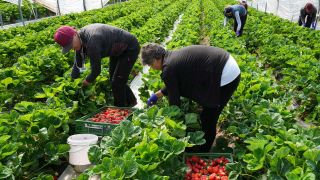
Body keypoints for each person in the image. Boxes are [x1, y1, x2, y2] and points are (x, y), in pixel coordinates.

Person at [141, 43, 241, 152]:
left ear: (157, 59)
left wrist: (172, 121)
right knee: (207, 112)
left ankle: (204, 151)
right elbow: (173, 85)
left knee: (209, 117)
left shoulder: (168, 67)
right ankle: (204, 146)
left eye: (150, 65)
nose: (152, 68)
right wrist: (156, 95)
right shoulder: (171, 58)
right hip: (225, 63)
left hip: (226, 75)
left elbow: (174, 101)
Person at [54, 23, 140, 107]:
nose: (72, 48)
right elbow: (78, 65)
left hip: (129, 48)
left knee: (117, 82)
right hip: (117, 49)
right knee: (115, 79)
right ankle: (132, 102)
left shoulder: (92, 42)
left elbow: (96, 71)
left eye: (71, 44)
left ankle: (121, 112)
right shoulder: (80, 40)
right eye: (68, 47)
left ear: (74, 34)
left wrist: (86, 81)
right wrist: (73, 82)